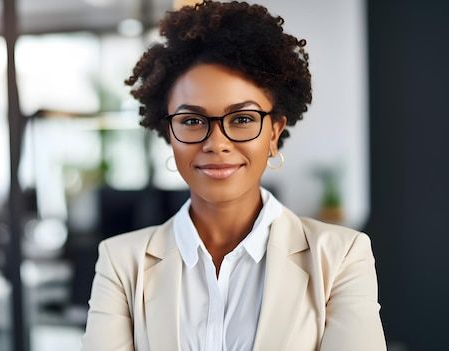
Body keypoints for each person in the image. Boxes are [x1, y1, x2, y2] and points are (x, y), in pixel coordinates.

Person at [80, 1, 386, 350]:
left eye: (241, 119)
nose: (216, 143)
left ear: (273, 133)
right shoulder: (121, 263)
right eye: (192, 121)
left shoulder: (341, 256)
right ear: (169, 135)